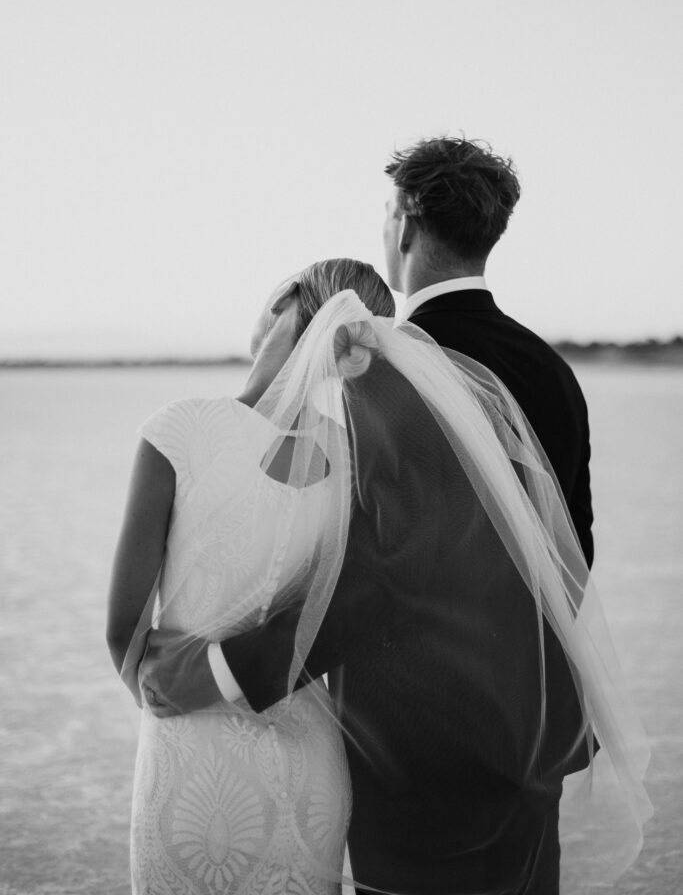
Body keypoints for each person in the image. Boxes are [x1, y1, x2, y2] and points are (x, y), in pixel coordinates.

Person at [137, 138, 650, 893]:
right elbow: (573, 550)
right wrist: (519, 681)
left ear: (403, 222)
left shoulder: (391, 367)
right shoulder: (549, 369)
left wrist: (221, 670)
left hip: (419, 750)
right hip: (536, 734)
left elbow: (385, 574)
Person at [107, 259, 395, 894]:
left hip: (191, 768)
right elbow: (347, 612)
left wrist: (161, 704)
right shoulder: (352, 459)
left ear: (285, 303)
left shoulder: (179, 430)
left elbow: (120, 631)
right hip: (312, 764)